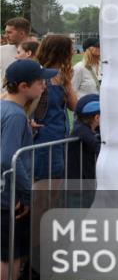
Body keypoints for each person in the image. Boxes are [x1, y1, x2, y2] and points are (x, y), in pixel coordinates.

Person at [2, 59, 56, 280]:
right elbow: (8, 159)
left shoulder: (7, 109)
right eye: (40, 82)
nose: (44, 85)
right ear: (23, 86)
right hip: (9, 199)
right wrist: (27, 192)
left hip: (7, 196)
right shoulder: (14, 115)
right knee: (10, 259)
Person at [33, 35, 78, 180]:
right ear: (62, 51)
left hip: (59, 137)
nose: (73, 51)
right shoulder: (37, 75)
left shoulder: (62, 76)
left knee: (55, 185)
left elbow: (73, 106)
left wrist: (68, 82)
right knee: (43, 187)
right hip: (43, 138)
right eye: (71, 48)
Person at [67, 93, 101, 181]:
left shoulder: (93, 129)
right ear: (97, 118)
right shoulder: (81, 129)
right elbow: (96, 146)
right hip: (76, 183)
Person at [0, 18, 31, 84]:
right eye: (6, 32)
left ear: (22, 33)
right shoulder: (1, 50)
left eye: (9, 32)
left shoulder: (38, 52)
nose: (6, 36)